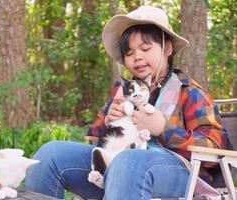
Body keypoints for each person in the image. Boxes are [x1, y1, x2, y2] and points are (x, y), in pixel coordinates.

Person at [25, 6, 231, 199]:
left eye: (145, 48)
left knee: (130, 161)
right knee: (50, 155)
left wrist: (164, 129)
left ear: (167, 49)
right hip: (115, 162)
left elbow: (214, 147)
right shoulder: (124, 92)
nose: (137, 57)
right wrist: (108, 121)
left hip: (180, 173)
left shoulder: (189, 91)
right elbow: (94, 138)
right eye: (129, 53)